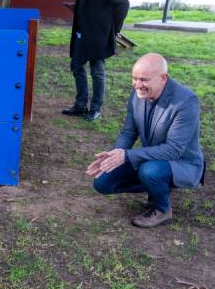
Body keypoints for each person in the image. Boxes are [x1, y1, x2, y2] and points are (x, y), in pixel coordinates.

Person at [86, 53, 204, 228]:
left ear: (163, 78)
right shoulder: (137, 94)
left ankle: (163, 210)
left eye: (144, 80)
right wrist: (113, 156)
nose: (137, 85)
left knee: (150, 172)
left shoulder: (186, 101)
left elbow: (174, 150)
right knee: (102, 182)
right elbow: (128, 132)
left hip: (181, 162)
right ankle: (157, 187)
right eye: (134, 78)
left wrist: (126, 156)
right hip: (150, 158)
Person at [63, 0, 129, 121]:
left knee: (97, 71)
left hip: (99, 34)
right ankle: (80, 105)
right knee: (76, 66)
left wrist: (114, 29)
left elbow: (123, 4)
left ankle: (96, 108)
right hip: (81, 33)